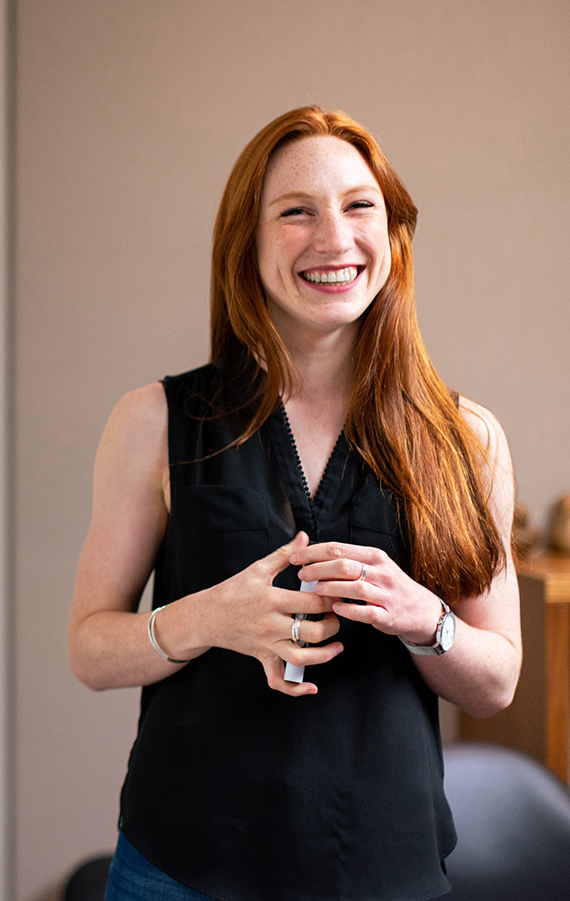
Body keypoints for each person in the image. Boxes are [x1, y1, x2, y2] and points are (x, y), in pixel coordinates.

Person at [69, 106, 522, 901]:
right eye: (296, 211)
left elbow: (497, 680)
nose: (334, 237)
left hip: (388, 872)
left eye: (358, 206)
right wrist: (205, 619)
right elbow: (90, 648)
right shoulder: (152, 422)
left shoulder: (468, 438)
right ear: (247, 241)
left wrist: (424, 617)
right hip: (180, 872)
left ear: (393, 234)